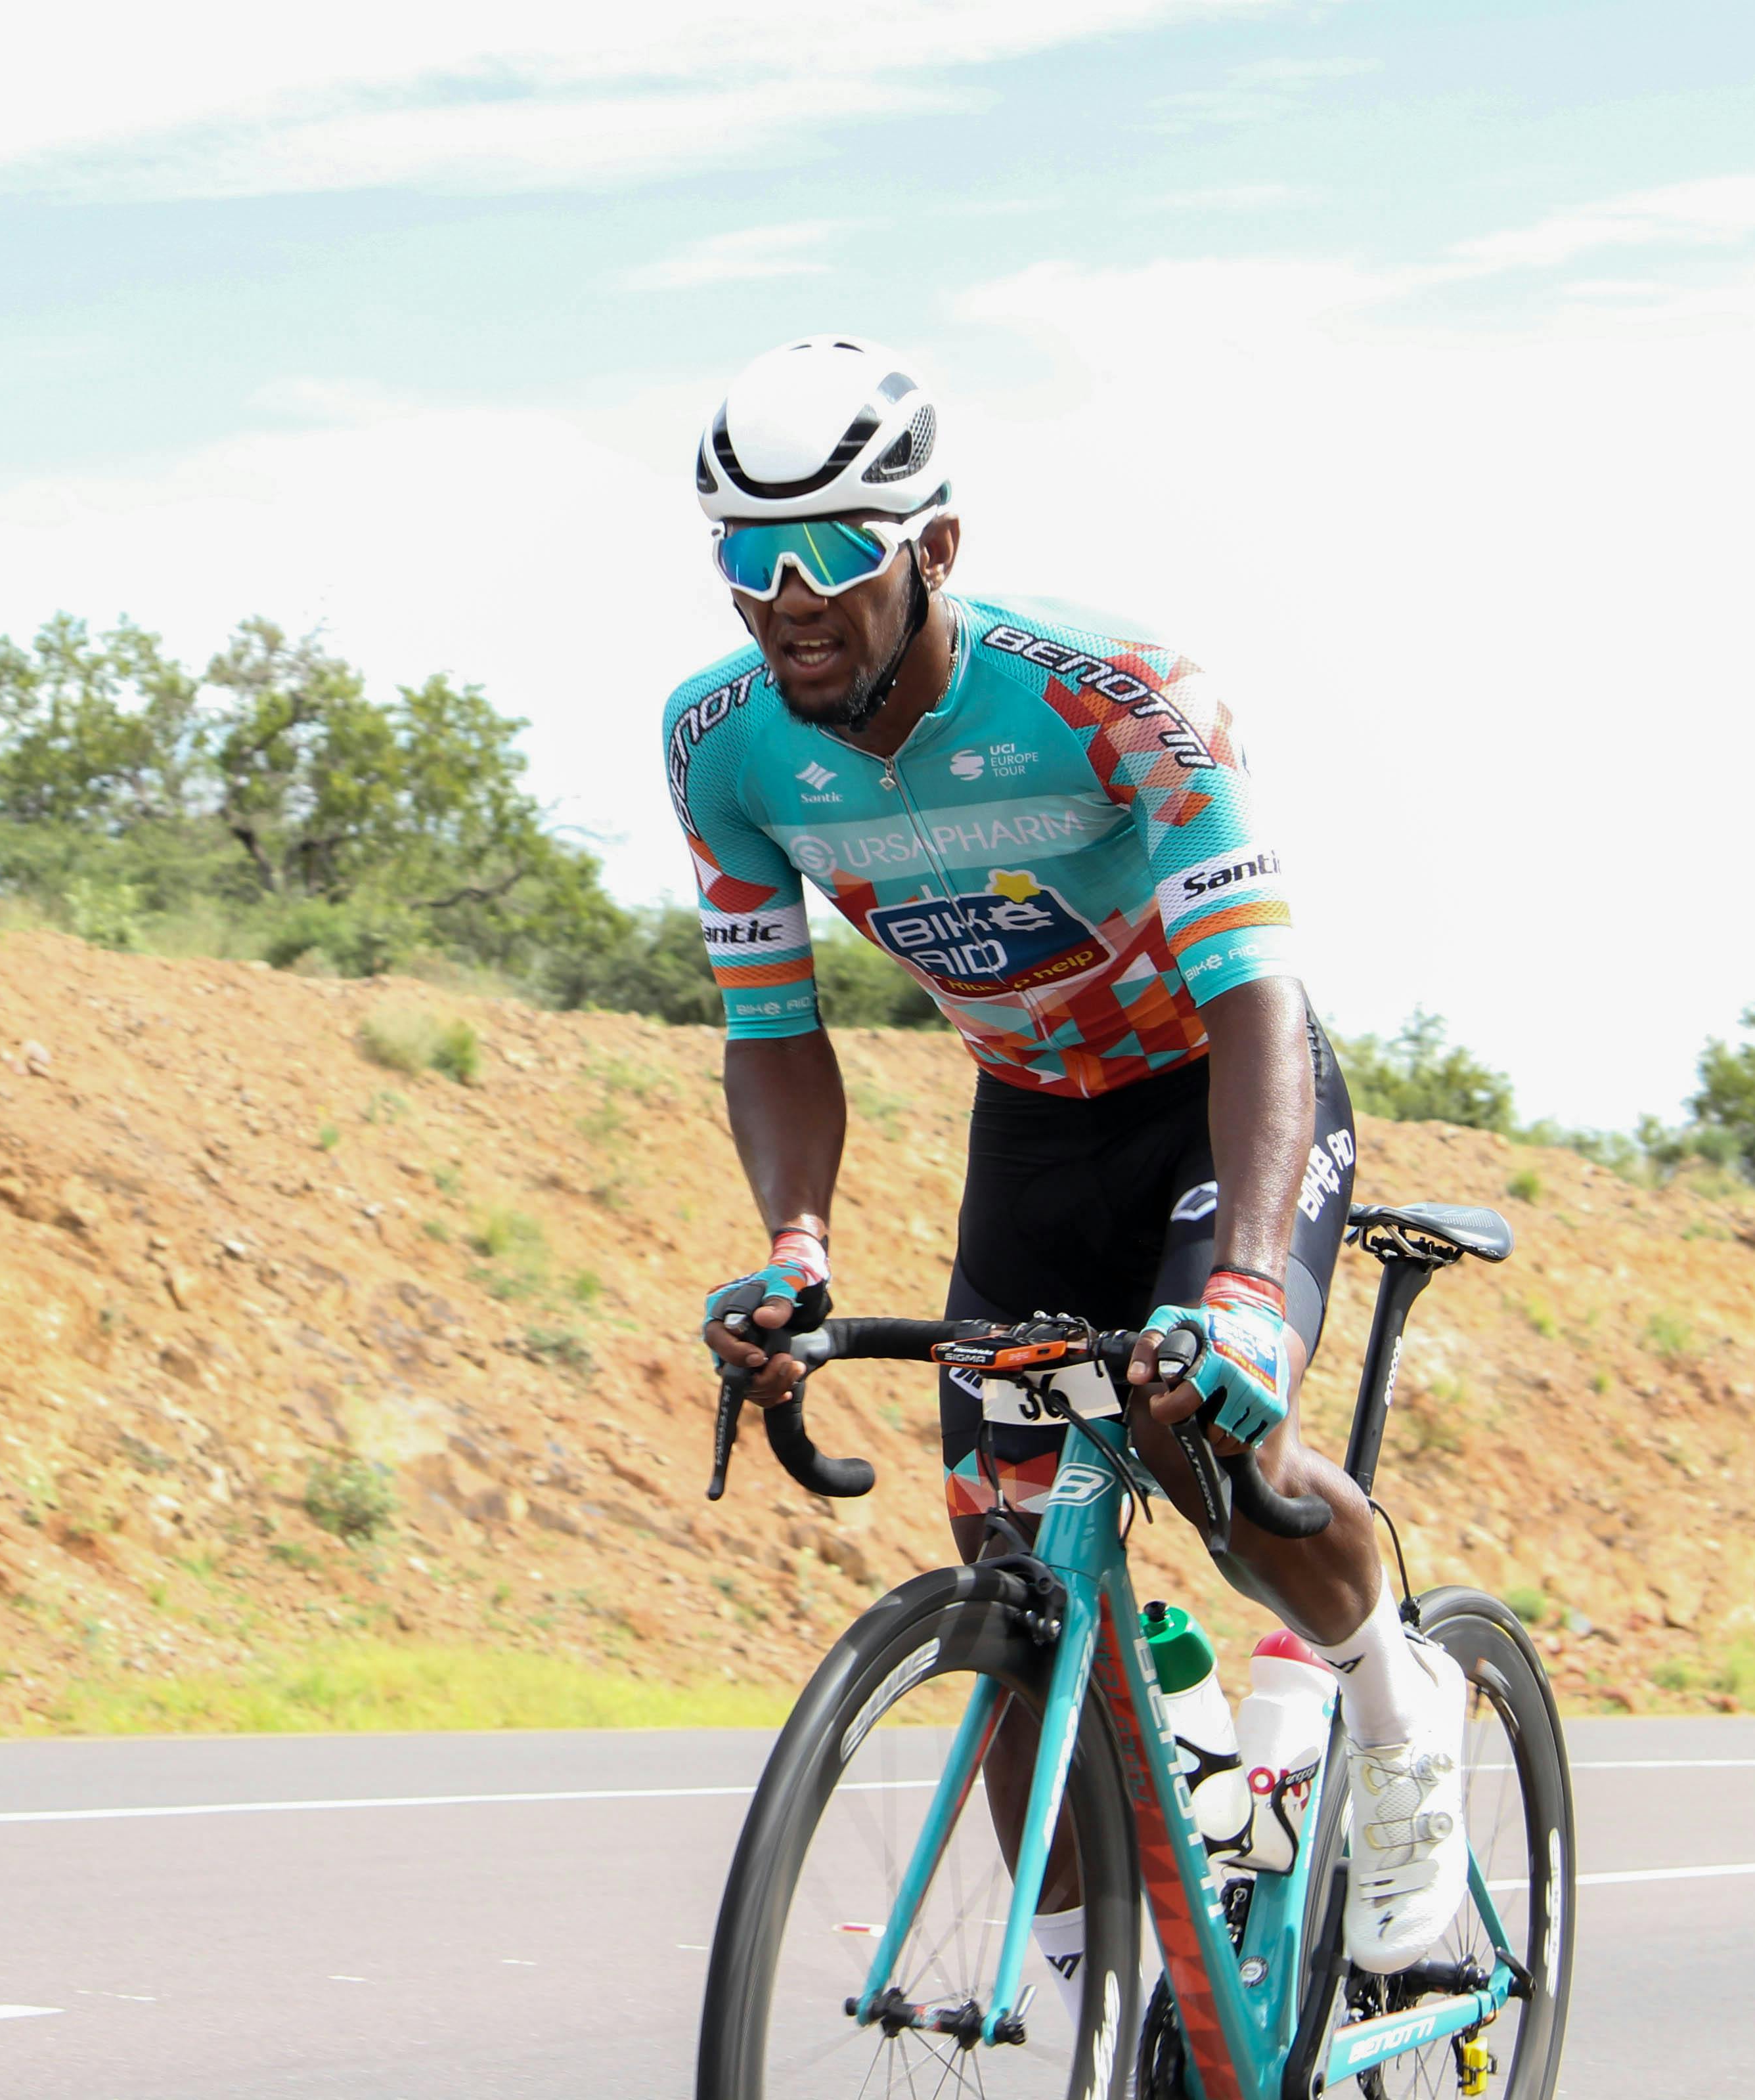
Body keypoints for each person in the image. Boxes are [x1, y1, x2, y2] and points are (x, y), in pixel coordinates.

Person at [669, 336, 1465, 1977]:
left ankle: (1398, 1699)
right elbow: (770, 1026)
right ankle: (1117, 1987)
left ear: (938, 546)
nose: (789, 602)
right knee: (1007, 1551)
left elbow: (1253, 995)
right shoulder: (721, 744)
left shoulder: (1118, 696)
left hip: (1217, 1089)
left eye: (834, 551)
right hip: (1034, 1118)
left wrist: (1241, 1288)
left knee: (1207, 1428)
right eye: (750, 559)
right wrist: (798, 1246)